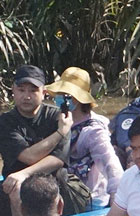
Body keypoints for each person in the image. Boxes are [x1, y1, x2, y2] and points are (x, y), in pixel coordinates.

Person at [0, 64, 92, 216]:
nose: (26, 96)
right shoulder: (3, 124)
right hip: (11, 185)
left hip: (52, 187)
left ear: (43, 93)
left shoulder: (58, 117)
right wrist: (60, 133)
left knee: (20, 188)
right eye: (21, 90)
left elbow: (57, 160)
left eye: (33, 90)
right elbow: (28, 156)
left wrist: (23, 175)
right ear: (13, 90)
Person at [47, 66, 123, 208]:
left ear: (79, 99)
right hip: (63, 192)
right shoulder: (57, 121)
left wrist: (117, 196)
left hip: (89, 198)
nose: (61, 99)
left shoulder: (93, 131)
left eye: (67, 95)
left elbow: (111, 163)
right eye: (60, 94)